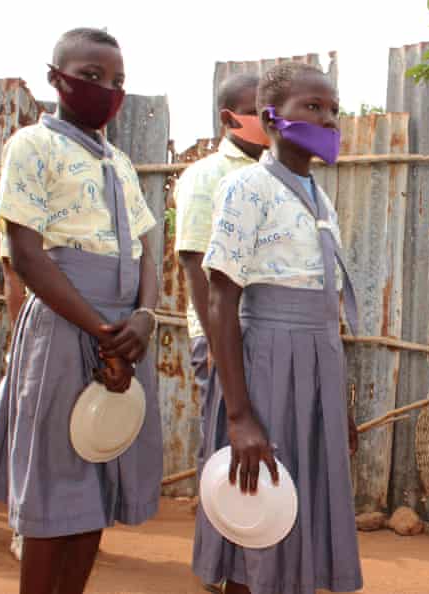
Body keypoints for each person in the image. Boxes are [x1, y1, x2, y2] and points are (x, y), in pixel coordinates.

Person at [0, 27, 163, 594]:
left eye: (117, 81)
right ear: (56, 79)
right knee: (55, 489)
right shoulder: (32, 146)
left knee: (96, 480)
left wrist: (145, 318)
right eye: (91, 76)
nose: (106, 89)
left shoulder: (123, 164)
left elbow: (146, 250)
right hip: (66, 324)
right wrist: (102, 331)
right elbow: (28, 254)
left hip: (125, 331)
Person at [193, 61, 362, 594]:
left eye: (333, 110)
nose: (328, 120)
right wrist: (240, 416)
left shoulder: (319, 197)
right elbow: (222, 298)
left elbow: (325, 306)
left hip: (316, 368)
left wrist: (342, 406)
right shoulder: (247, 188)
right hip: (267, 367)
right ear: (271, 117)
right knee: (257, 511)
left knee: (299, 512)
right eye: (312, 108)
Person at [174, 73, 267, 480]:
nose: (266, 121)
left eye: (271, 113)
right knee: (225, 433)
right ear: (229, 118)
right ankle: (219, 536)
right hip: (221, 331)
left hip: (263, 327)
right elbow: (195, 264)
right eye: (254, 113)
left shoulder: (273, 173)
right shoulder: (205, 176)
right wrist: (214, 343)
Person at [0, 234, 27, 561]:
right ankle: (24, 528)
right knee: (28, 442)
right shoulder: (21, 197)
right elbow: (13, 278)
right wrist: (25, 345)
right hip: (36, 341)